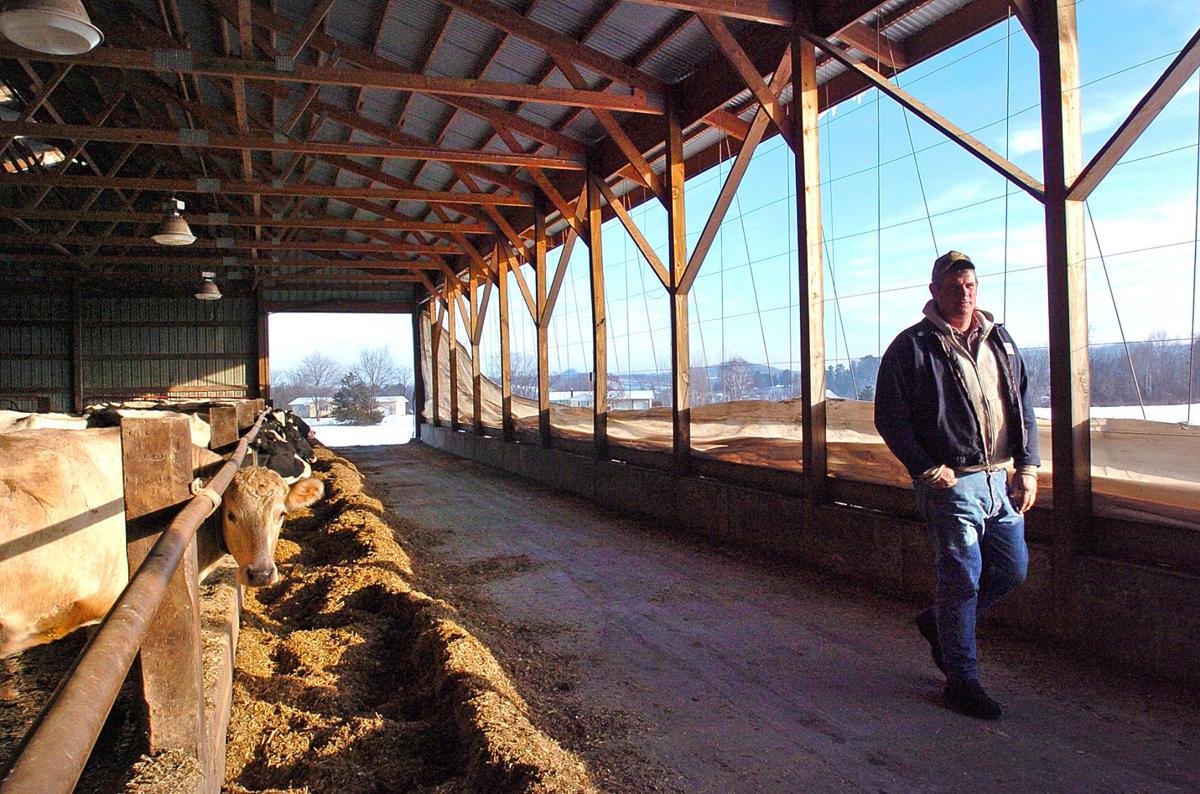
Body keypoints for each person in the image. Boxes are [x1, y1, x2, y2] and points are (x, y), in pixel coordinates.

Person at [874, 250, 1039, 719]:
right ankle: (961, 680)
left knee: (1011, 570)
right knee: (962, 580)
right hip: (951, 484)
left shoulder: (1000, 341)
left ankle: (939, 624)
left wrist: (1028, 467)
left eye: (970, 285)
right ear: (934, 292)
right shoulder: (913, 347)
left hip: (999, 479)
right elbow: (890, 416)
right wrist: (926, 467)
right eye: (953, 286)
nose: (964, 293)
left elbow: (1022, 406)